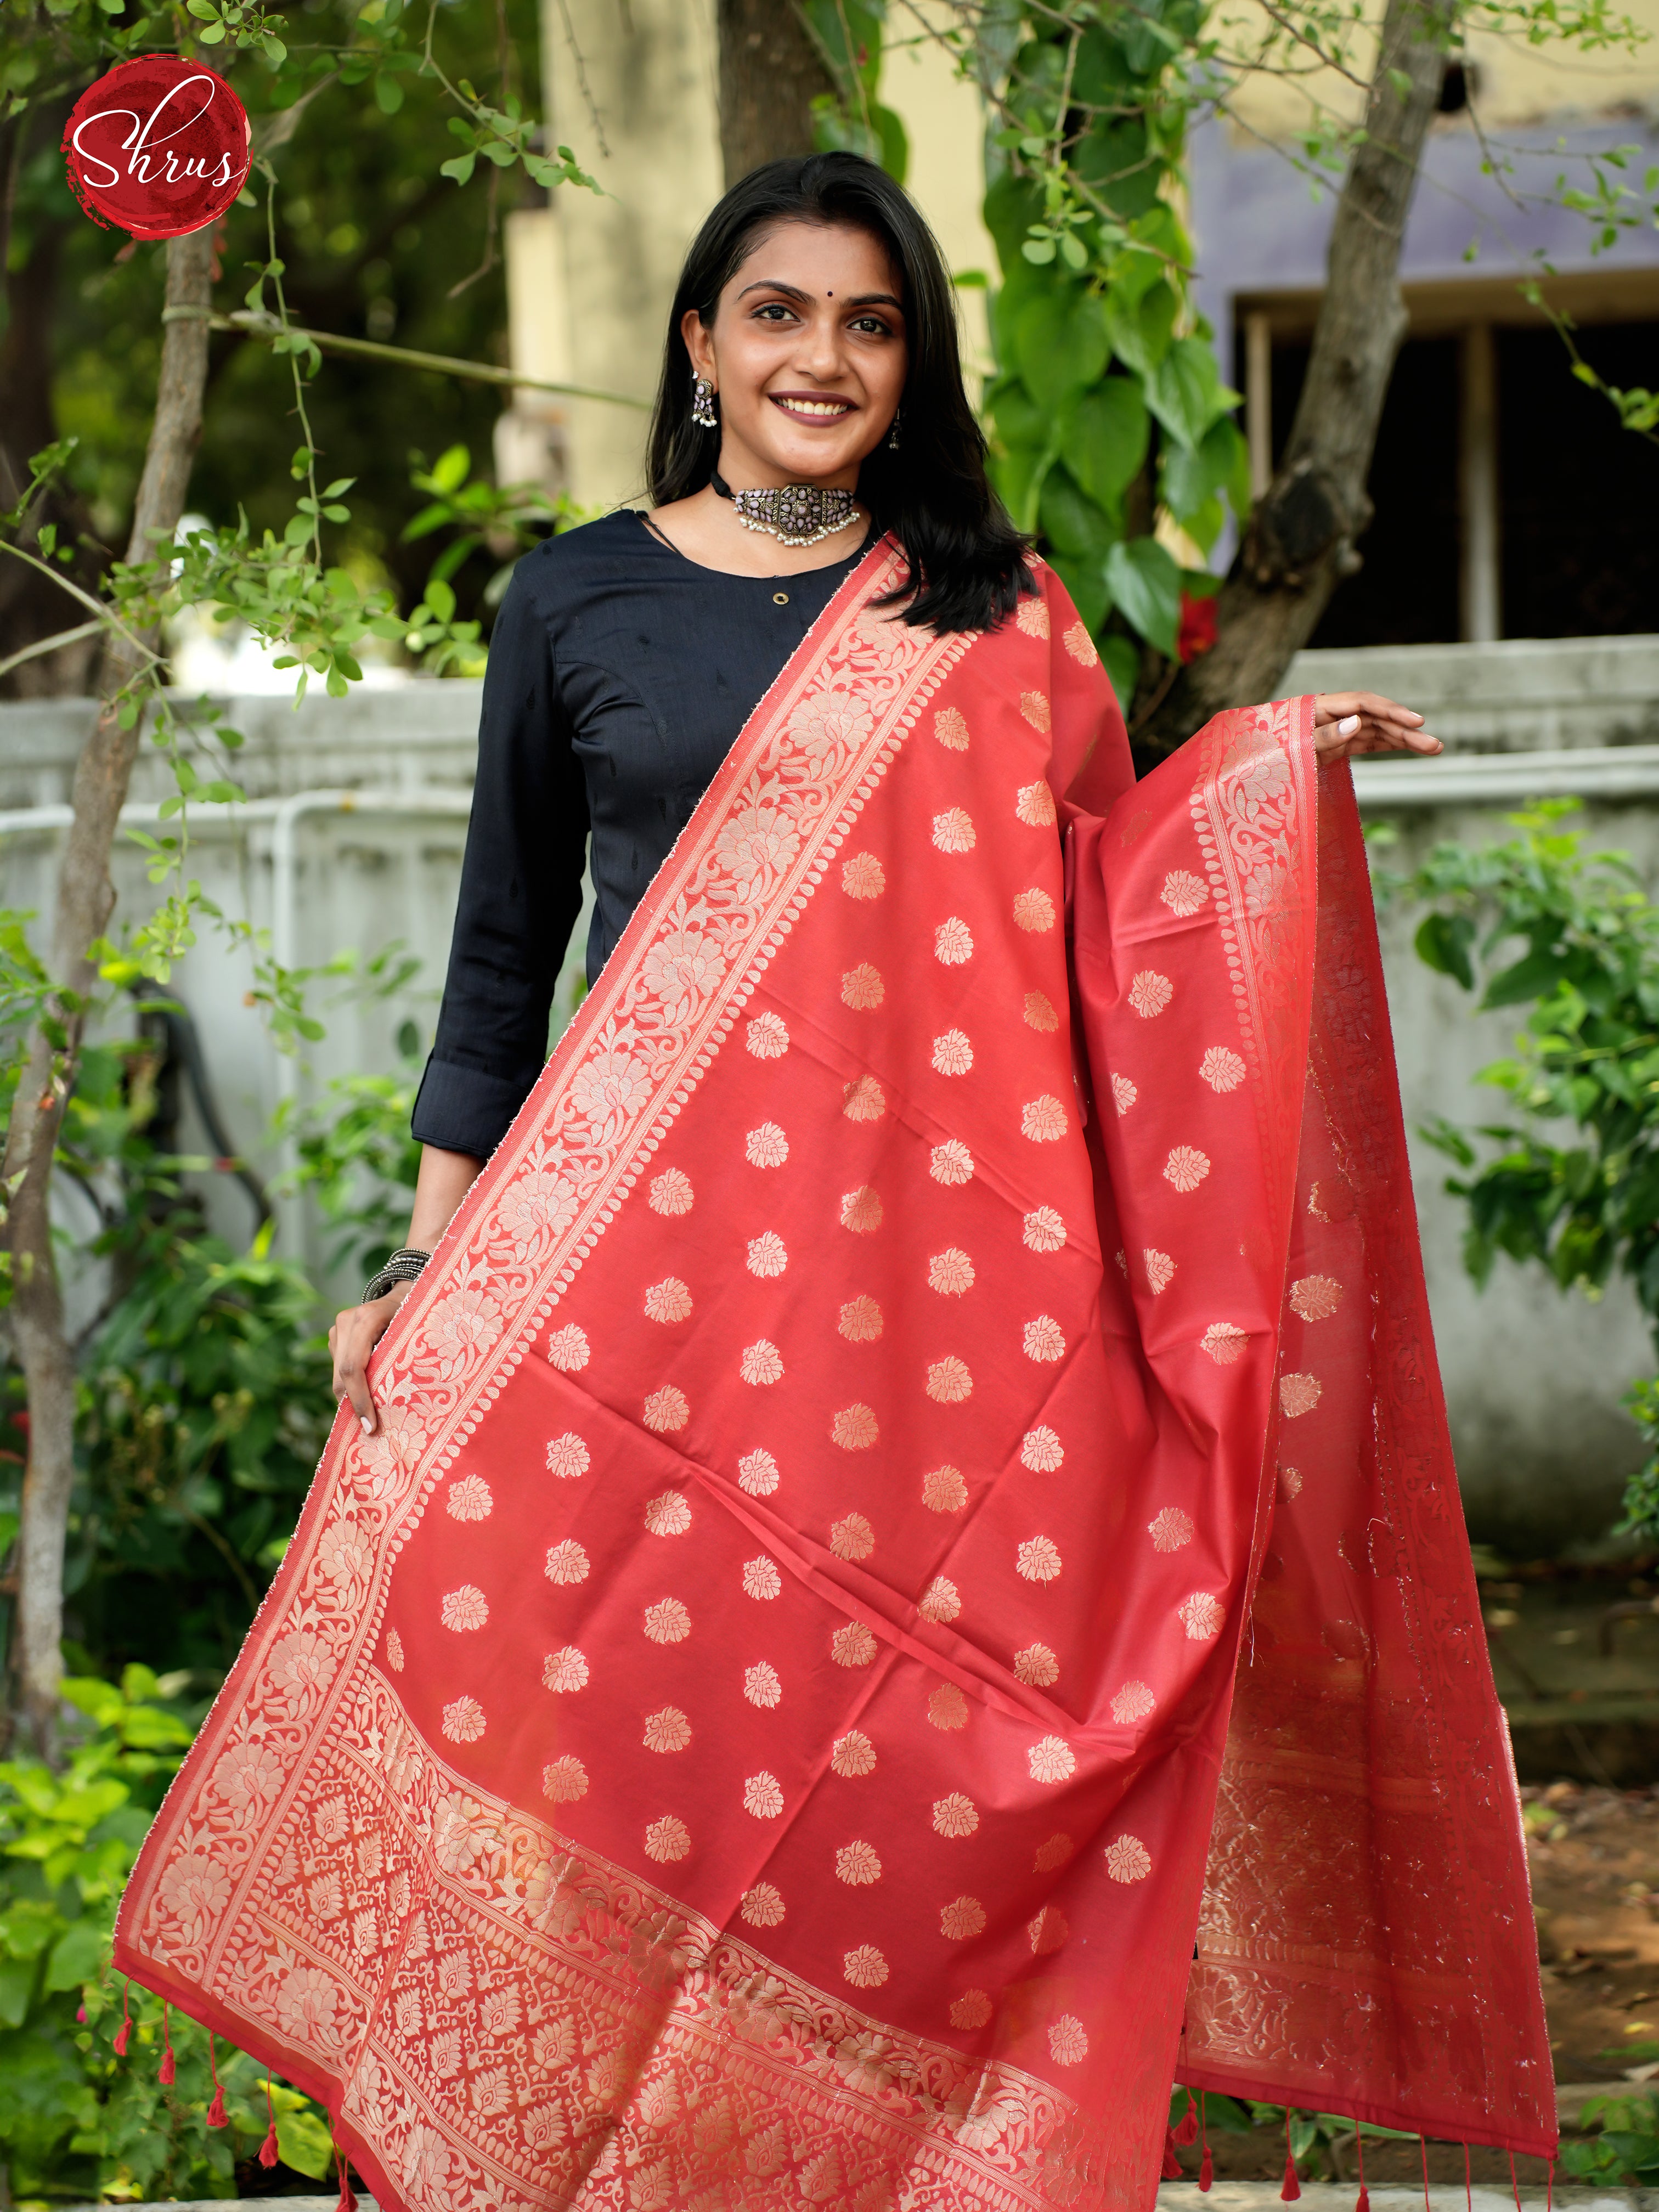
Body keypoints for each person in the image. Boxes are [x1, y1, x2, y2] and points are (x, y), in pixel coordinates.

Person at [118, 154, 1554, 2212]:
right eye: (778, 313)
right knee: (624, 1756)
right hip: (634, 1300)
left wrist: (1262, 773)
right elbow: (503, 962)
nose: (822, 356)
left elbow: (1095, 914)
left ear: (915, 365)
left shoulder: (988, 606)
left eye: (870, 324)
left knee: (868, 1773)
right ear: (699, 344)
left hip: (918, 1351)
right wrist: (424, 1270)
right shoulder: (575, 598)